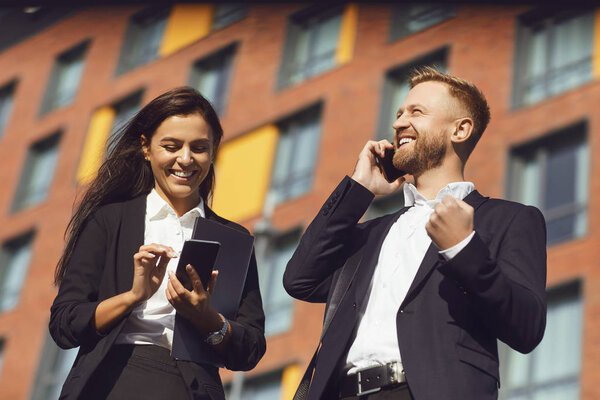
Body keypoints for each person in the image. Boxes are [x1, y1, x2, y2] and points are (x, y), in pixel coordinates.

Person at [283, 68, 547, 400]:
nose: (398, 124)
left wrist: (463, 249)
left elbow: (527, 328)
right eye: (398, 114)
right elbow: (299, 279)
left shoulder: (509, 220)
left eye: (415, 112)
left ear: (460, 129)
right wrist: (358, 189)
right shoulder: (372, 234)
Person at [50, 87, 266, 400]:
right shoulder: (109, 221)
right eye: (172, 146)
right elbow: (64, 324)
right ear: (146, 148)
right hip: (110, 384)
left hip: (191, 390)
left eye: (199, 147)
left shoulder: (232, 239)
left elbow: (251, 348)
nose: (186, 159)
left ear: (214, 151)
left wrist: (207, 319)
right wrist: (133, 296)